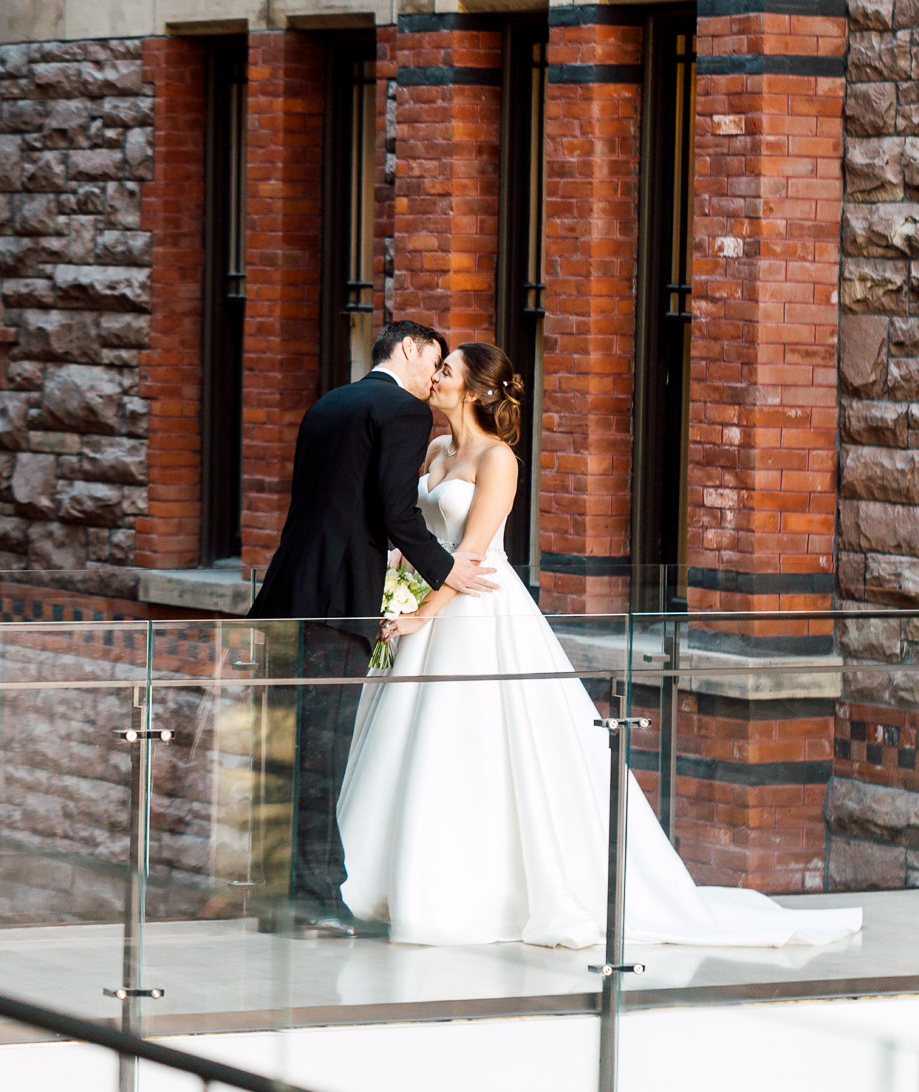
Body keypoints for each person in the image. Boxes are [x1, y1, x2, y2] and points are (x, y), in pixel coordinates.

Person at [338, 342, 863, 949]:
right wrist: (400, 588)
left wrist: (416, 617)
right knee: (413, 745)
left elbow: (472, 557)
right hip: (430, 613)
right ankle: (388, 880)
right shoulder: (435, 449)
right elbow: (415, 533)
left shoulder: (498, 460)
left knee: (472, 747)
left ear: (477, 391)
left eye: (447, 370)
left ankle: (471, 896)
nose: (436, 377)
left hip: (476, 612)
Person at [251, 320, 497, 936]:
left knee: (286, 749)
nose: (432, 377)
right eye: (432, 361)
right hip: (338, 602)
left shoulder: (330, 402)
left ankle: (278, 898)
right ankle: (314, 901)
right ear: (409, 349)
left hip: (288, 591)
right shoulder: (401, 411)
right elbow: (396, 514)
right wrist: (448, 571)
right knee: (321, 751)